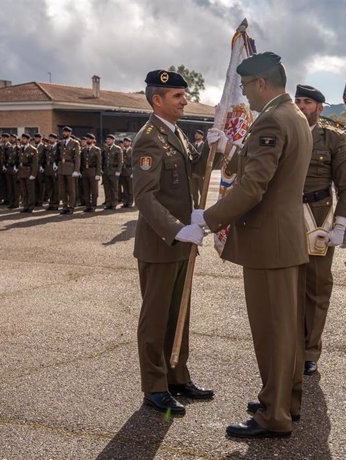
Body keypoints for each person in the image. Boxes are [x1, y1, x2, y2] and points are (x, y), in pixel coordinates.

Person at [198, 52, 313, 438]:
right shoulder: (294, 116)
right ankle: (283, 398)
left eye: (246, 87)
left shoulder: (273, 122)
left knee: (272, 332)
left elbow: (252, 186)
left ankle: (274, 415)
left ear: (261, 83)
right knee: (285, 330)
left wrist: (209, 218)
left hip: (269, 242)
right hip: (283, 240)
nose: (244, 96)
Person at [132, 69, 213, 417]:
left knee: (179, 312)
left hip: (181, 242)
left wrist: (214, 144)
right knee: (156, 318)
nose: (185, 101)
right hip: (161, 242)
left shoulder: (175, 133)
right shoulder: (148, 138)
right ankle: (155, 387)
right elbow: (144, 197)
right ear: (157, 100)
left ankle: (177, 375)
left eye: (184, 95)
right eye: (178, 97)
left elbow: (195, 168)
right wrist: (178, 229)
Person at [293, 84, 346, 376]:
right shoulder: (285, 132)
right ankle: (289, 346)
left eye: (307, 102)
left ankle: (309, 349)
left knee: (316, 288)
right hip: (287, 217)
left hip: (318, 220)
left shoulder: (333, 138)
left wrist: (341, 224)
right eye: (298, 101)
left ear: (320, 107)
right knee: (287, 288)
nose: (301, 106)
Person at [58, 126, 81, 215]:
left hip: (70, 168)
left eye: (66, 132)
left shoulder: (75, 143)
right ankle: (64, 206)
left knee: (71, 189)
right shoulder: (61, 143)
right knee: (62, 189)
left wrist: (76, 170)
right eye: (63, 132)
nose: (64, 133)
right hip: (61, 168)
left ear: (70, 133)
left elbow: (77, 157)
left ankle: (71, 207)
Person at [17, 133, 39, 213]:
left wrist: (33, 174)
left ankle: (31, 206)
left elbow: (35, 163)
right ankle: (25, 206)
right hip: (22, 171)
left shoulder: (33, 149)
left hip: (29, 171)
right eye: (22, 139)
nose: (23, 140)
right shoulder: (21, 149)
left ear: (28, 140)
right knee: (23, 191)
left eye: (25, 139)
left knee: (30, 190)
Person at [80, 133, 102, 212]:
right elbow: (82, 161)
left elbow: (99, 163)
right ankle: (87, 206)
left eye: (90, 139)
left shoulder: (97, 150)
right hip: (85, 171)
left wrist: (98, 174)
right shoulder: (84, 150)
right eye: (87, 139)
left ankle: (93, 205)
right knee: (86, 190)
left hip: (93, 171)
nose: (88, 140)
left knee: (94, 190)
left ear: (93, 140)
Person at [101, 134, 123, 210]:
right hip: (106, 171)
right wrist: (102, 169)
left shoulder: (118, 149)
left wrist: (118, 171)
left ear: (113, 140)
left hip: (114, 171)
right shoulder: (105, 149)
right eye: (107, 140)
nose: (108, 141)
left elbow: (120, 161)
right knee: (107, 188)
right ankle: (108, 203)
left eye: (109, 140)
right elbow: (103, 160)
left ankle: (114, 203)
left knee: (114, 188)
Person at [189, 129, 208, 208]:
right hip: (193, 172)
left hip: (201, 173)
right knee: (194, 192)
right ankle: (196, 205)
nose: (196, 135)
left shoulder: (205, 146)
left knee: (202, 191)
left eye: (198, 134)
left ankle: (202, 207)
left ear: (202, 136)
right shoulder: (191, 145)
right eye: (195, 134)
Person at [42, 133, 59, 210]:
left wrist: (57, 164)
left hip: (54, 169)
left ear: (55, 139)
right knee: (49, 187)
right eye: (50, 138)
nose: (50, 140)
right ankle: (51, 204)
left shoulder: (58, 147)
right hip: (47, 168)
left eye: (52, 138)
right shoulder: (47, 147)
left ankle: (55, 204)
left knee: (56, 188)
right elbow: (44, 158)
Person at [119, 137, 133, 207]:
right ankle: (125, 202)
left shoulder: (132, 151)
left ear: (130, 143)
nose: (125, 143)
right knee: (124, 189)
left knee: (130, 188)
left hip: (129, 171)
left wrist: (133, 173)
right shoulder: (122, 150)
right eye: (124, 142)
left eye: (127, 142)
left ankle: (130, 202)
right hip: (123, 171)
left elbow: (135, 162)